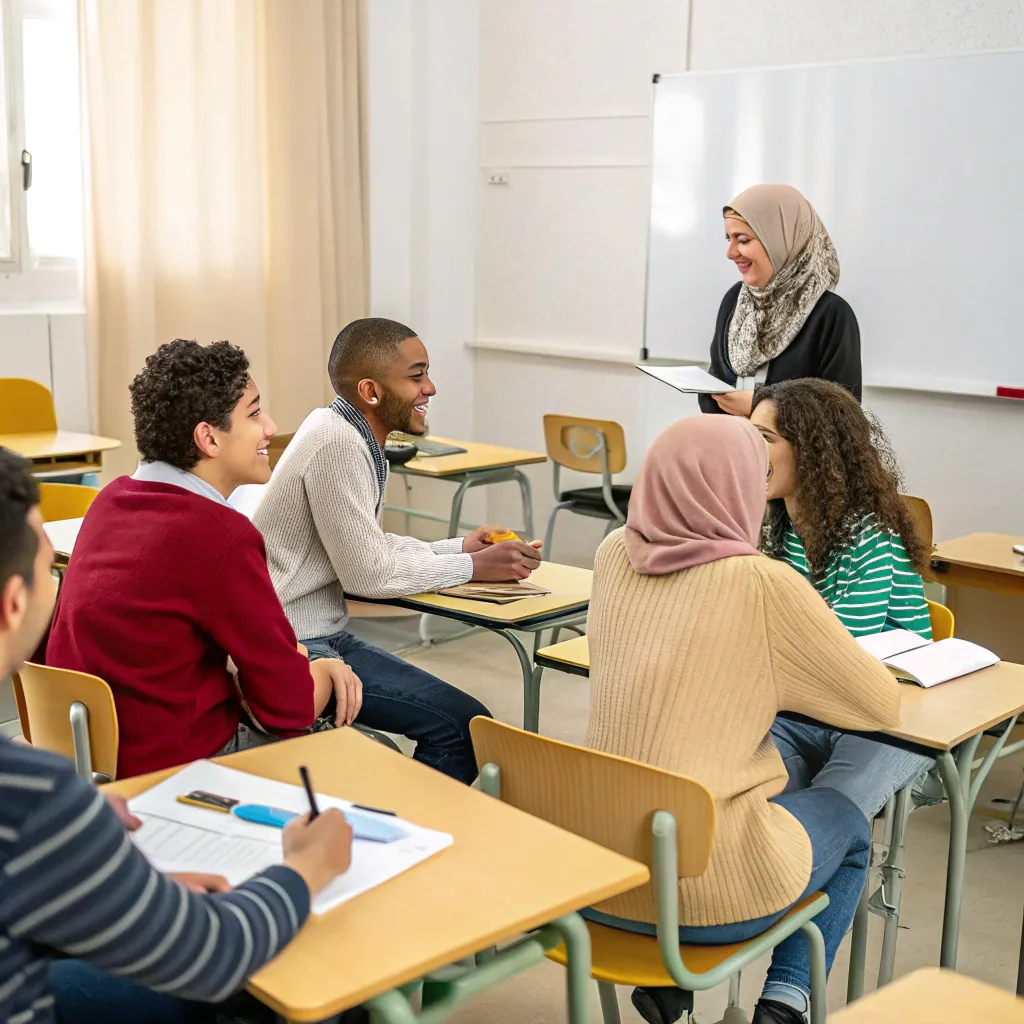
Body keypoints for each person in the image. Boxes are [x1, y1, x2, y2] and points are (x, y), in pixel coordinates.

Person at [0, 445, 358, 1024]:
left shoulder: (31, 791)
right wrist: (306, 868)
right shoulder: (31, 795)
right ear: (13, 605)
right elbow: (213, 952)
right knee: (310, 985)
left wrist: (99, 868)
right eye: (48, 568)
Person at [585, 416, 902, 1024]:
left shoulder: (612, 553)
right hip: (707, 896)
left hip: (599, 875)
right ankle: (785, 1001)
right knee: (848, 823)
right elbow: (878, 706)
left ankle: (670, 982)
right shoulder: (761, 581)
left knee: (763, 777)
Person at [44, 340, 361, 779]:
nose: (270, 428)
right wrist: (324, 670)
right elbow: (287, 710)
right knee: (370, 751)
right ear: (208, 438)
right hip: (171, 767)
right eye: (254, 413)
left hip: (88, 755)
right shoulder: (221, 535)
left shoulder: (109, 501)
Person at [252, 318, 538, 785]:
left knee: (465, 721)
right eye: (416, 376)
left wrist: (458, 548)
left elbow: (368, 546)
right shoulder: (338, 444)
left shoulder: (340, 429)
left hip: (315, 631)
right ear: (371, 391)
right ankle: (397, 825)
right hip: (299, 641)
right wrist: (471, 566)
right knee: (462, 728)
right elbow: (368, 576)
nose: (430, 388)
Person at [750, 378, 933, 819]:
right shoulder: (774, 526)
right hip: (803, 707)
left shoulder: (869, 534)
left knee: (832, 814)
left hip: (886, 714)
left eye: (765, 438)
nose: (748, 450)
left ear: (814, 451)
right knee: (744, 794)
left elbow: (839, 651)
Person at [698, 183, 860, 418]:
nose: (730, 252)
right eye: (728, 239)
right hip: (731, 439)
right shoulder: (735, 300)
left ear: (779, 239)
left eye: (743, 240)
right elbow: (717, 384)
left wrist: (762, 406)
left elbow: (843, 416)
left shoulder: (831, 314)